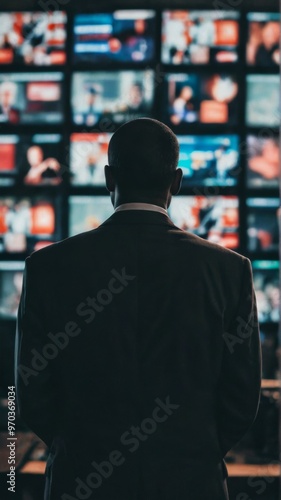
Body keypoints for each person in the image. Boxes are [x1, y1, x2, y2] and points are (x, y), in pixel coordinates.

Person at [15, 118, 261, 500]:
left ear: (108, 178)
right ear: (176, 182)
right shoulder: (230, 270)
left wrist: (82, 450)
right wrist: (190, 454)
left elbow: (29, 394)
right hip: (192, 485)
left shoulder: (46, 268)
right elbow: (243, 397)